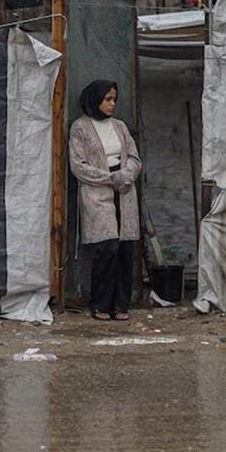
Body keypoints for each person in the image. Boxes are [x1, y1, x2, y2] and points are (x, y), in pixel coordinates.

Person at [69, 79, 142, 321]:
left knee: (125, 248)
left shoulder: (120, 126)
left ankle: (121, 305)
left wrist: (126, 174)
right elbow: (78, 166)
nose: (112, 104)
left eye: (114, 99)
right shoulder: (80, 128)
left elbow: (133, 157)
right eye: (107, 99)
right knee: (107, 247)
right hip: (98, 193)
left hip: (124, 191)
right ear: (95, 99)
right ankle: (100, 304)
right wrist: (110, 178)